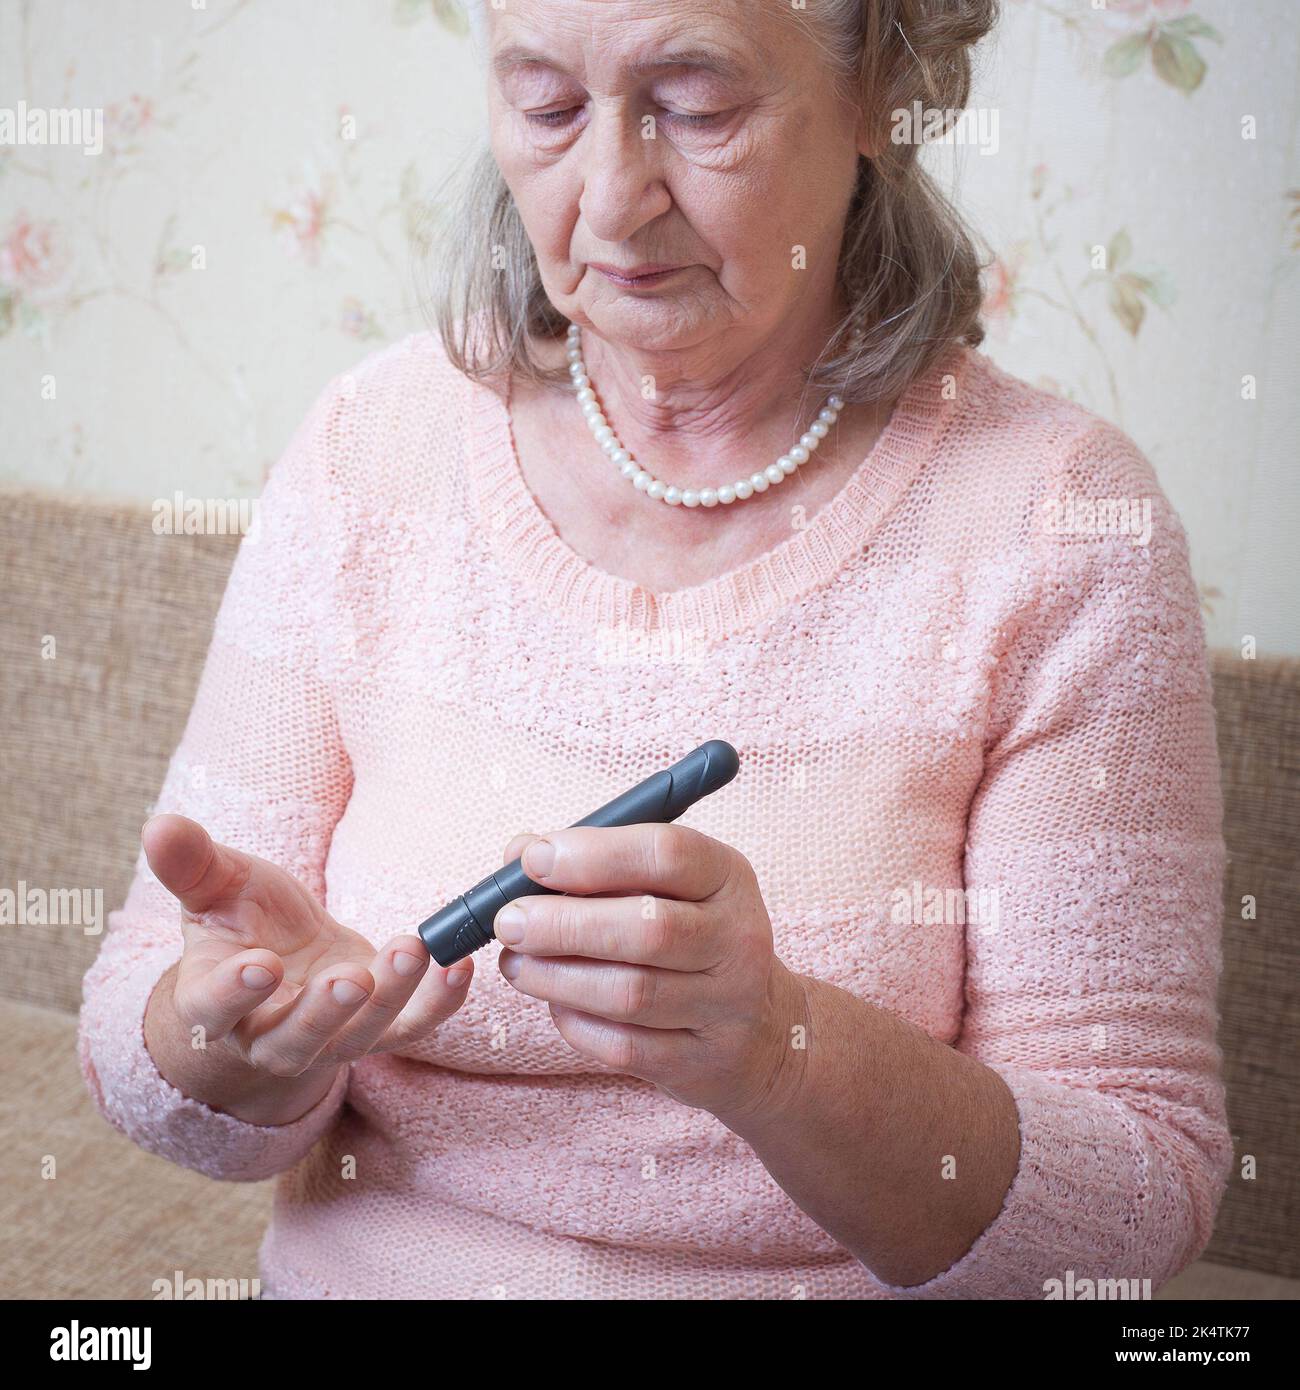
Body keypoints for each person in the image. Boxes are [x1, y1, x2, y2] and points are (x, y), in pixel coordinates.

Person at [78, 0, 1231, 1299]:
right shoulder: (372, 449)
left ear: (878, 97)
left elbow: (1138, 1200)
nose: (614, 203)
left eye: (697, 106)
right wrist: (231, 1040)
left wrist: (780, 1052)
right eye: (548, 105)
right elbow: (140, 1045)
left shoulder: (1058, 520)